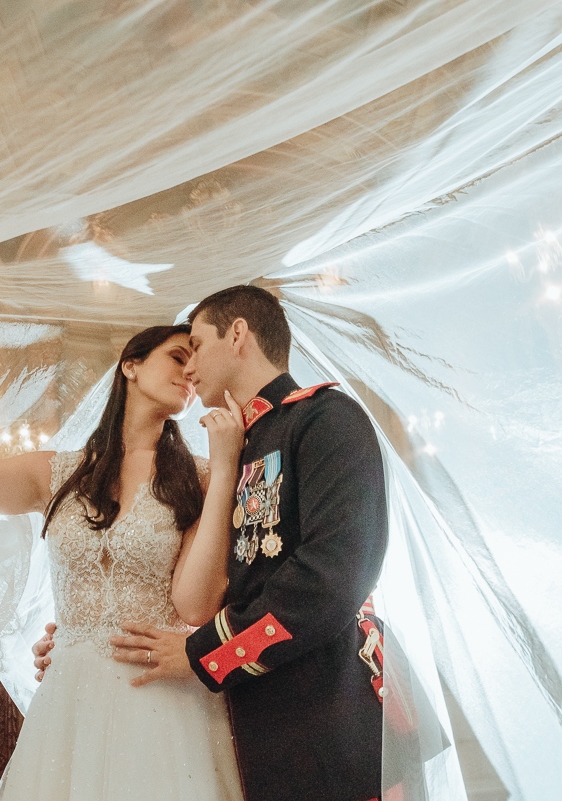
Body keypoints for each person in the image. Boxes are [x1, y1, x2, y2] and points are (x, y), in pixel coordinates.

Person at [0, 281, 246, 801]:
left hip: (161, 696)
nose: (189, 373)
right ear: (131, 365)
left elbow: (205, 595)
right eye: (177, 355)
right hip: (70, 699)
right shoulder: (55, 473)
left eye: (195, 362)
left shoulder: (204, 477)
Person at [35, 285, 389, 801]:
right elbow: (234, 577)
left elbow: (333, 577)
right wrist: (85, 636)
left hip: (321, 708)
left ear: (238, 334)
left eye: (196, 345)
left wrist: (208, 652)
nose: (189, 367)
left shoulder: (324, 420)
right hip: (245, 716)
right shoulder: (240, 450)